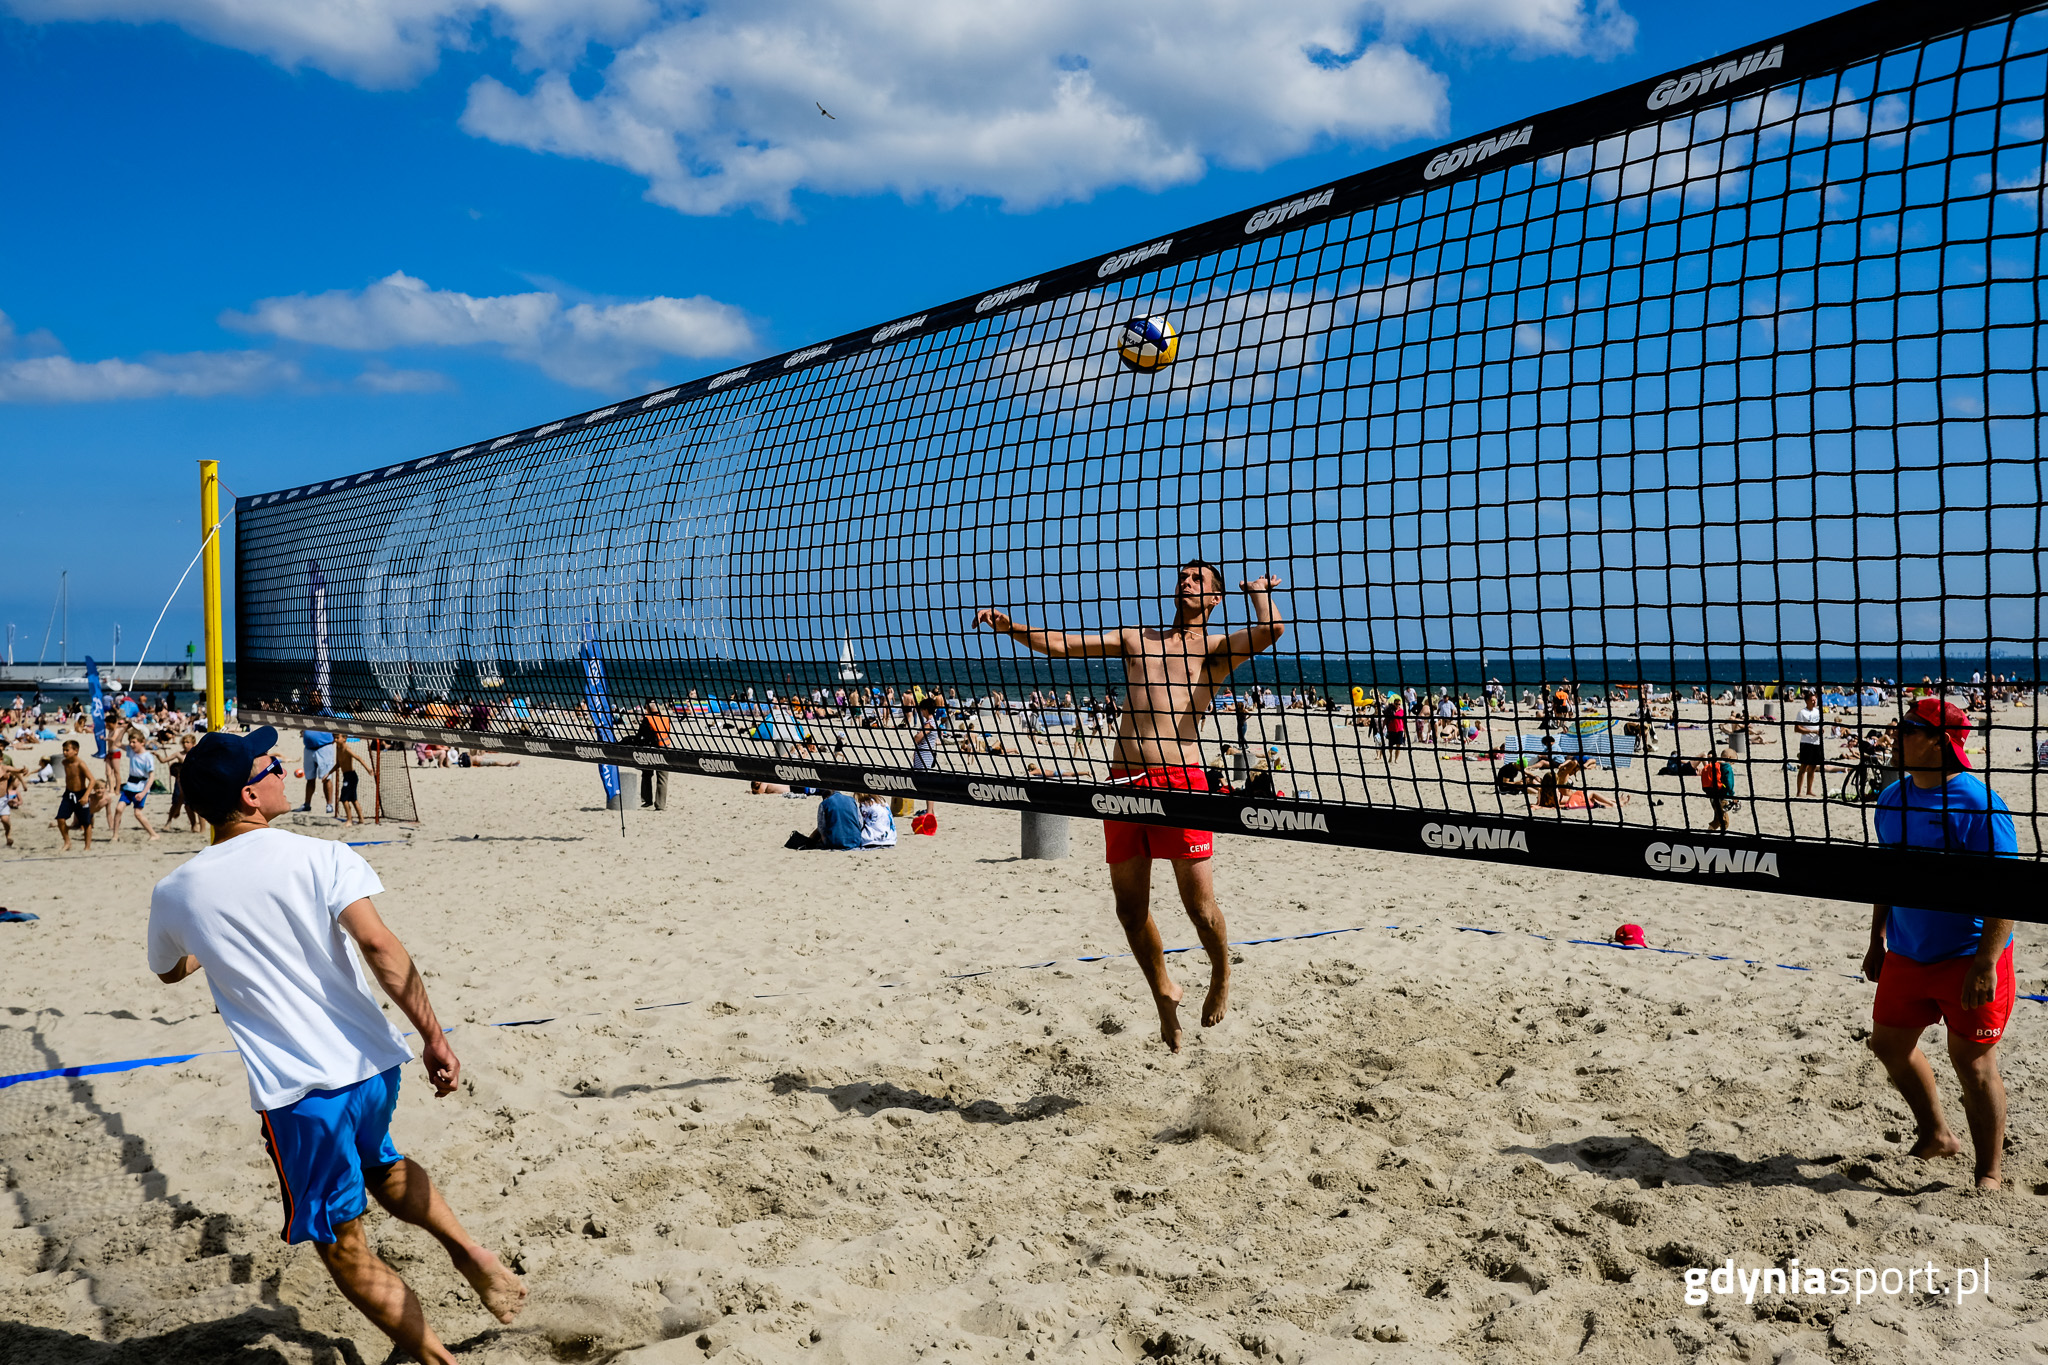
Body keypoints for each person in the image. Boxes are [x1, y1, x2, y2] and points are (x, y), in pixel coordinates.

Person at [147, 727, 526, 1359]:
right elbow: (380, 947)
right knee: (380, 1164)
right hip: (373, 1067)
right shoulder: (322, 856)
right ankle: (471, 1253)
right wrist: (434, 1036)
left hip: (302, 1093)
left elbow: (169, 968)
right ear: (248, 794)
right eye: (272, 765)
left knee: (341, 1244)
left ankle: (435, 1358)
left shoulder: (177, 891)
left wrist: (213, 946)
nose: (286, 770)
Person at [977, 560, 1285, 1051]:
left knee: (1200, 910)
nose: (1186, 582)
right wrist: (1010, 626)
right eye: (1183, 576)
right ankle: (1163, 989)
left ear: (1214, 599)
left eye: (1198, 579)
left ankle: (1221, 972)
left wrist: (1259, 591)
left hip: (1181, 784)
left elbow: (1270, 630)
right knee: (1129, 909)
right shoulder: (1136, 639)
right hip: (1124, 782)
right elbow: (1062, 644)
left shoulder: (1215, 652)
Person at [1862, 697, 2019, 1190]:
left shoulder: (1980, 805)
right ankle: (1936, 1134)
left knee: (1973, 1064)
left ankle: (1988, 1173)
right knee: (1888, 1044)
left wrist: (1987, 962)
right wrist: (1876, 939)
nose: (1896, 735)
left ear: (1939, 741)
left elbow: (2005, 892)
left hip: (1968, 955)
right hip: (1907, 950)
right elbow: (1886, 876)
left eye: (1908, 728)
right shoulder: (1891, 797)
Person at [112, 733, 161, 842]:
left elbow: (151, 777)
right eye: (130, 742)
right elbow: (117, 743)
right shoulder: (131, 751)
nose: (131, 744)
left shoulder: (147, 757)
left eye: (134, 742)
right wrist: (124, 729)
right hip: (129, 786)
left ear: (142, 742)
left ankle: (153, 834)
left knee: (137, 813)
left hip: (140, 788)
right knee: (118, 808)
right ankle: (115, 835)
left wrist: (143, 793)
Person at [53, 739, 96, 852]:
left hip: (81, 793)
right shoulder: (64, 763)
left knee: (86, 823)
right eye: (63, 750)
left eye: (67, 750)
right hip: (68, 794)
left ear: (76, 751)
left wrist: (86, 796)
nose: (65, 753)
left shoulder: (80, 764)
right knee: (60, 819)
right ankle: (67, 842)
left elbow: (92, 780)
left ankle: (87, 847)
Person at [300, 693, 337, 813]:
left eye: (316, 696)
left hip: (324, 747)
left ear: (320, 698)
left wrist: (336, 738)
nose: (313, 699)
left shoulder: (326, 711)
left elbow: (335, 724)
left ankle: (329, 805)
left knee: (326, 778)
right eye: (311, 697)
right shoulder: (306, 711)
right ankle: (307, 804)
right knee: (310, 778)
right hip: (309, 748)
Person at [1794, 690, 1824, 797]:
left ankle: (1809, 790)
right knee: (1803, 767)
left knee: (1813, 767)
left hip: (1817, 742)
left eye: (1815, 700)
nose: (1814, 702)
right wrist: (1812, 731)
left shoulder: (1818, 712)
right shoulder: (1802, 713)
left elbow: (1819, 725)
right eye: (1812, 700)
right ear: (1807, 701)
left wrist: (1820, 730)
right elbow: (1797, 728)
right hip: (1806, 742)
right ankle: (1799, 792)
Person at [335, 740, 364, 824]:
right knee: (353, 799)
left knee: (344, 799)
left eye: (337, 738)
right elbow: (338, 764)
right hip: (346, 776)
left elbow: (358, 758)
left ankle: (349, 820)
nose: (336, 740)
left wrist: (368, 769)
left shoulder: (347, 749)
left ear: (344, 738)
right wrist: (328, 773)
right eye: (335, 737)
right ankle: (361, 819)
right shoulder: (338, 749)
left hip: (351, 776)